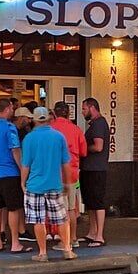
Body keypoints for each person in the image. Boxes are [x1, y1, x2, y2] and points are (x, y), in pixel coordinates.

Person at [20, 107, 76, 262]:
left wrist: (22, 182)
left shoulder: (29, 139)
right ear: (49, 119)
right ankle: (67, 249)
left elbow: (25, 165)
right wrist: (66, 182)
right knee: (61, 219)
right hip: (54, 184)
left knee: (38, 220)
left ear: (34, 119)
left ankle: (43, 253)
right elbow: (66, 163)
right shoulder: (58, 137)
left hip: (34, 185)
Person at [0, 99, 29, 253]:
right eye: (12, 108)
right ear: (8, 109)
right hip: (9, 172)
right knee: (13, 208)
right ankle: (15, 242)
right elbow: (15, 149)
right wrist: (22, 169)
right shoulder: (10, 127)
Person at [51, 101, 87, 248]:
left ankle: (64, 241)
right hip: (72, 174)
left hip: (55, 175)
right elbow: (84, 151)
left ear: (54, 113)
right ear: (69, 113)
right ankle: (73, 238)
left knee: (61, 210)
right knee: (71, 209)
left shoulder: (51, 129)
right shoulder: (76, 129)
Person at [80, 97, 109, 247]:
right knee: (90, 202)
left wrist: (83, 149)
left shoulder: (99, 124)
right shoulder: (94, 124)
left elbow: (98, 146)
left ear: (92, 108)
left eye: (84, 109)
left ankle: (99, 236)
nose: (82, 112)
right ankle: (92, 232)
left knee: (97, 202)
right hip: (88, 169)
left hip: (96, 169)